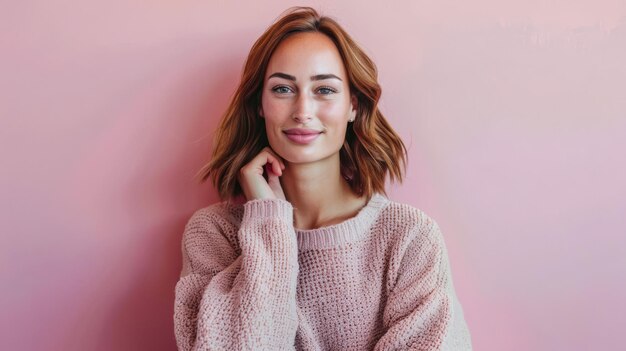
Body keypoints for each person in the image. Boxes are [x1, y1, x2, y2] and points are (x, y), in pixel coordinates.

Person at [173, 6, 472, 351]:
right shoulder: (215, 235)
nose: (302, 111)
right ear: (259, 104)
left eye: (325, 90)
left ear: (353, 106)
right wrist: (269, 225)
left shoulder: (408, 238)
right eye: (283, 89)